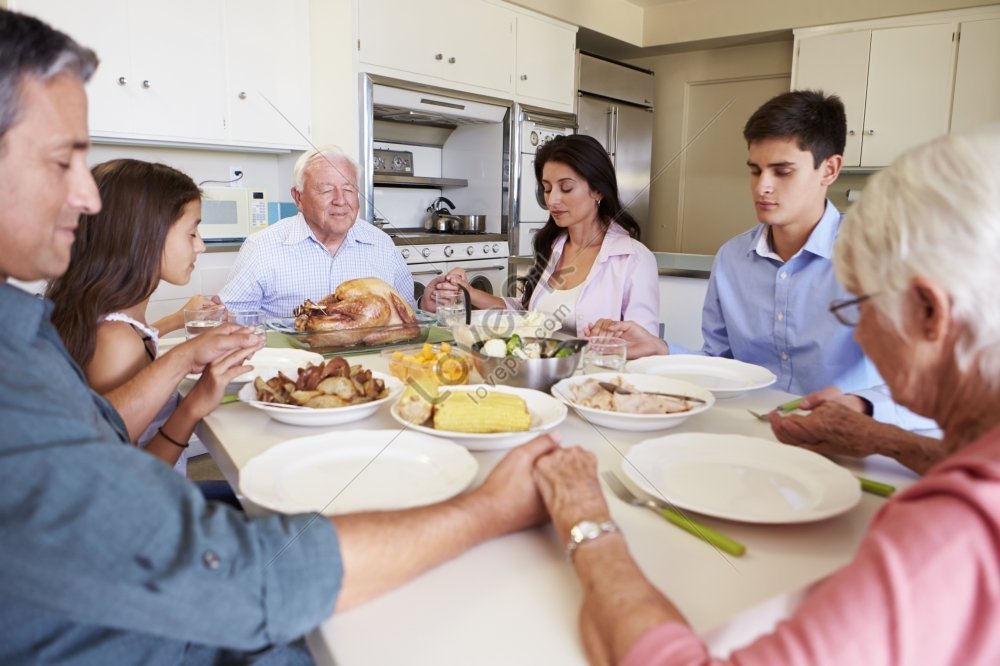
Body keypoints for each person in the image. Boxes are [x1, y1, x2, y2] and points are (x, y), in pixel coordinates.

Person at [0, 9, 559, 662]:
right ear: (302, 196)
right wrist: (491, 510)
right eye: (62, 159)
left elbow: (104, 442)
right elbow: (241, 579)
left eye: (351, 188)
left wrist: (185, 389)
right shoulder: (23, 372)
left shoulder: (25, 336)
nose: (86, 197)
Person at [534, 127, 1000, 665]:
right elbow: (720, 360)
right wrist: (884, 439)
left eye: (859, 308)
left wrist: (588, 523)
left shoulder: (952, 536)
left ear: (929, 312)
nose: (860, 333)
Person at [589, 91, 930, 432]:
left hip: (848, 441)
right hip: (748, 431)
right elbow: (721, 366)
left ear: (829, 169)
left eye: (782, 172)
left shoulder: (881, 259)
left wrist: (861, 405)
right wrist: (661, 349)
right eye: (755, 171)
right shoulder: (732, 260)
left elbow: (931, 387)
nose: (762, 187)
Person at [46, 159, 250, 475]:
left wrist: (175, 320)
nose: (201, 246)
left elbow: (134, 342)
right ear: (145, 237)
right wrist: (194, 403)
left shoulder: (108, 320)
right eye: (192, 232)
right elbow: (127, 480)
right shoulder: (115, 341)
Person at [422, 133, 659, 337]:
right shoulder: (553, 246)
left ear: (597, 190)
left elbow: (644, 346)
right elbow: (527, 316)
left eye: (566, 188)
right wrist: (470, 292)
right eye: (547, 189)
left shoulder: (634, 259)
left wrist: (610, 337)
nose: (552, 200)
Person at [219, 145, 415, 318]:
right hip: (292, 359)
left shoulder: (382, 244)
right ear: (298, 198)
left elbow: (408, 314)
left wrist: (426, 304)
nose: (340, 200)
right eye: (326, 190)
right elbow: (230, 320)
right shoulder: (262, 247)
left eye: (349, 189)